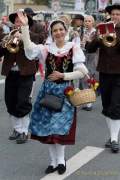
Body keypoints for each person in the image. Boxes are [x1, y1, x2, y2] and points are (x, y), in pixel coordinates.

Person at [18, 11, 89, 174]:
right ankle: (52, 161)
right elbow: (29, 48)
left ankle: (61, 160)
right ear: (51, 33)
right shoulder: (45, 49)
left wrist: (63, 75)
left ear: (66, 31)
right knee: (48, 129)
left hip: (65, 93)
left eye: (60, 29)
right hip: (47, 93)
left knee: (59, 129)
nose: (58, 32)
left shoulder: (73, 47)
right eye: (55, 30)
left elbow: (82, 71)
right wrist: (24, 27)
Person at [0, 10, 40, 144]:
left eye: (21, 21)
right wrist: (5, 42)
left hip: (26, 74)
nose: (18, 23)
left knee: (23, 101)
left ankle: (24, 131)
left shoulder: (32, 35)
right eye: (16, 21)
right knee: (10, 101)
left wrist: (23, 36)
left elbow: (38, 41)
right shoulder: (8, 35)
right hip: (11, 73)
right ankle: (17, 129)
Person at [85, 3, 120, 153]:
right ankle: (112, 136)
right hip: (104, 71)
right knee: (106, 106)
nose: (115, 17)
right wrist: (99, 39)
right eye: (113, 14)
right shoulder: (102, 28)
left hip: (119, 73)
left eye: (118, 14)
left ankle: (114, 139)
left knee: (116, 106)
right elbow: (89, 48)